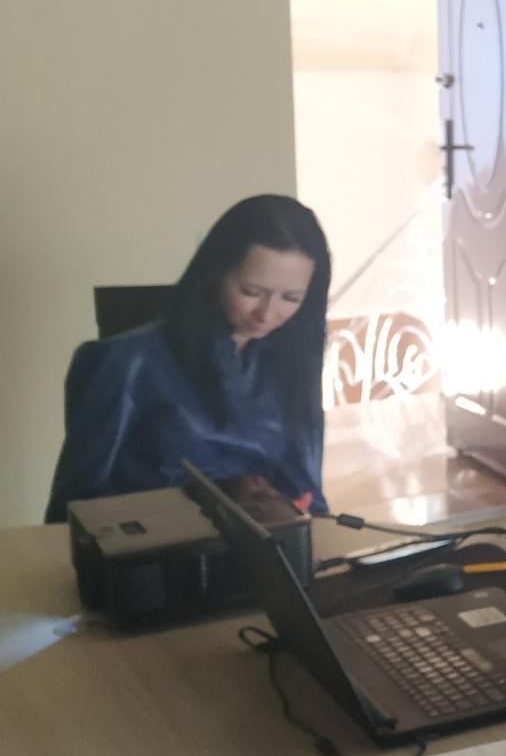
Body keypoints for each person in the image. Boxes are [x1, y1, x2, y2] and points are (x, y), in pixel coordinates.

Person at [45, 195, 333, 523]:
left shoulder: (291, 364)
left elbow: (309, 500)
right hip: (157, 545)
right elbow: (72, 509)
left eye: (291, 298)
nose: (266, 314)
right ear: (216, 272)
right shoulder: (128, 362)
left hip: (269, 546)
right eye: (251, 292)